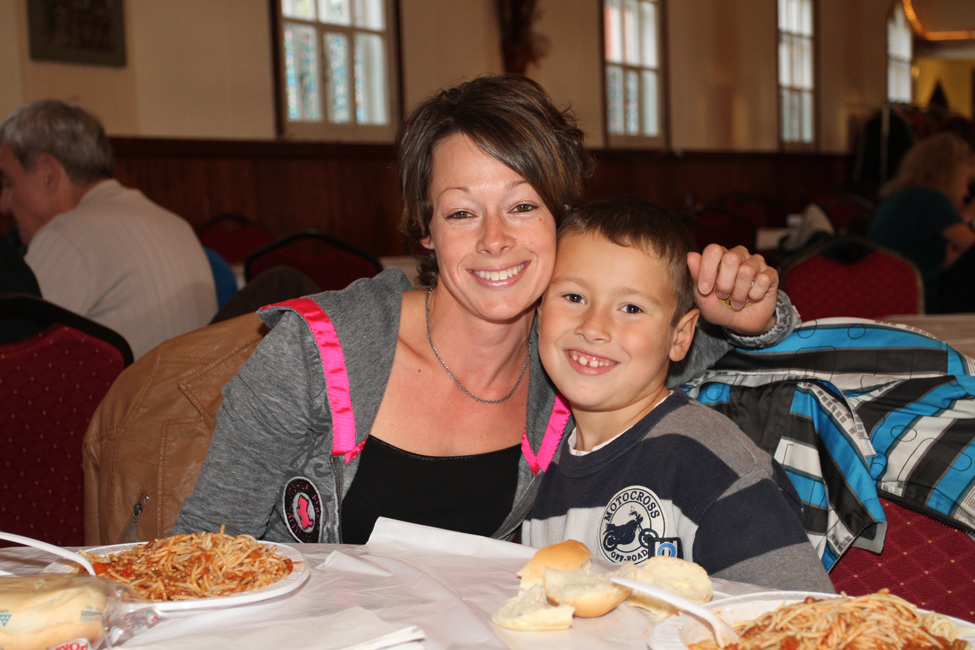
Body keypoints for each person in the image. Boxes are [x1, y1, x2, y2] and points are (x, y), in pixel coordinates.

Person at [173, 75, 797, 545]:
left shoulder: (575, 357)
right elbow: (194, 556)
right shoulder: (317, 358)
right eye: (462, 212)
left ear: (562, 219)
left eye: (522, 207)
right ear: (426, 229)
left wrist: (755, 310)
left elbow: (730, 340)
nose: (494, 239)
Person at [522, 195, 834, 592]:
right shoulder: (541, 465)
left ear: (681, 336)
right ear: (538, 311)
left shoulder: (711, 465)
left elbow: (798, 616)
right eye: (574, 297)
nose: (594, 327)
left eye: (631, 308)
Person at [0, 99, 216, 358]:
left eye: (9, 183)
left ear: (48, 174)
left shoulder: (66, 235)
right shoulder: (176, 223)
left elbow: (18, 369)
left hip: (138, 399)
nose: (4, 204)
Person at [868, 132, 975, 313]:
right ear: (951, 174)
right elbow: (970, 246)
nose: (966, 192)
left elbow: (942, 260)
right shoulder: (928, 199)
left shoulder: (905, 196)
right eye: (966, 181)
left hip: (885, 298)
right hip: (915, 305)